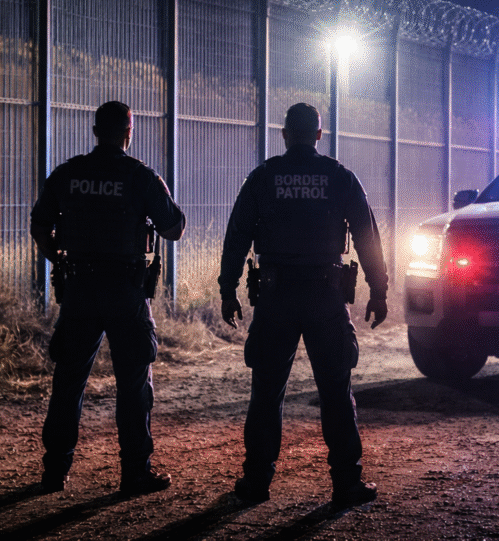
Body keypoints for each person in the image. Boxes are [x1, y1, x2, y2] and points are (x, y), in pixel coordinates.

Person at [219, 102, 388, 508]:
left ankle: (256, 482)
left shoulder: (263, 177)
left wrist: (229, 289)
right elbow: (367, 235)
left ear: (283, 133)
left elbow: (237, 235)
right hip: (325, 297)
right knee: (335, 390)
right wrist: (378, 290)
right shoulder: (339, 177)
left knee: (266, 392)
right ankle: (347, 482)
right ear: (317, 134)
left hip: (275, 298)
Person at [30, 101, 185, 496]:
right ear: (128, 132)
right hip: (125, 292)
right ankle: (135, 473)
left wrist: (59, 258)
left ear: (95, 130)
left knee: (68, 382)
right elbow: (174, 228)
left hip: (79, 290)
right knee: (133, 385)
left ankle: (54, 473)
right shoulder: (139, 176)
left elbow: (39, 224)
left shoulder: (67, 174)